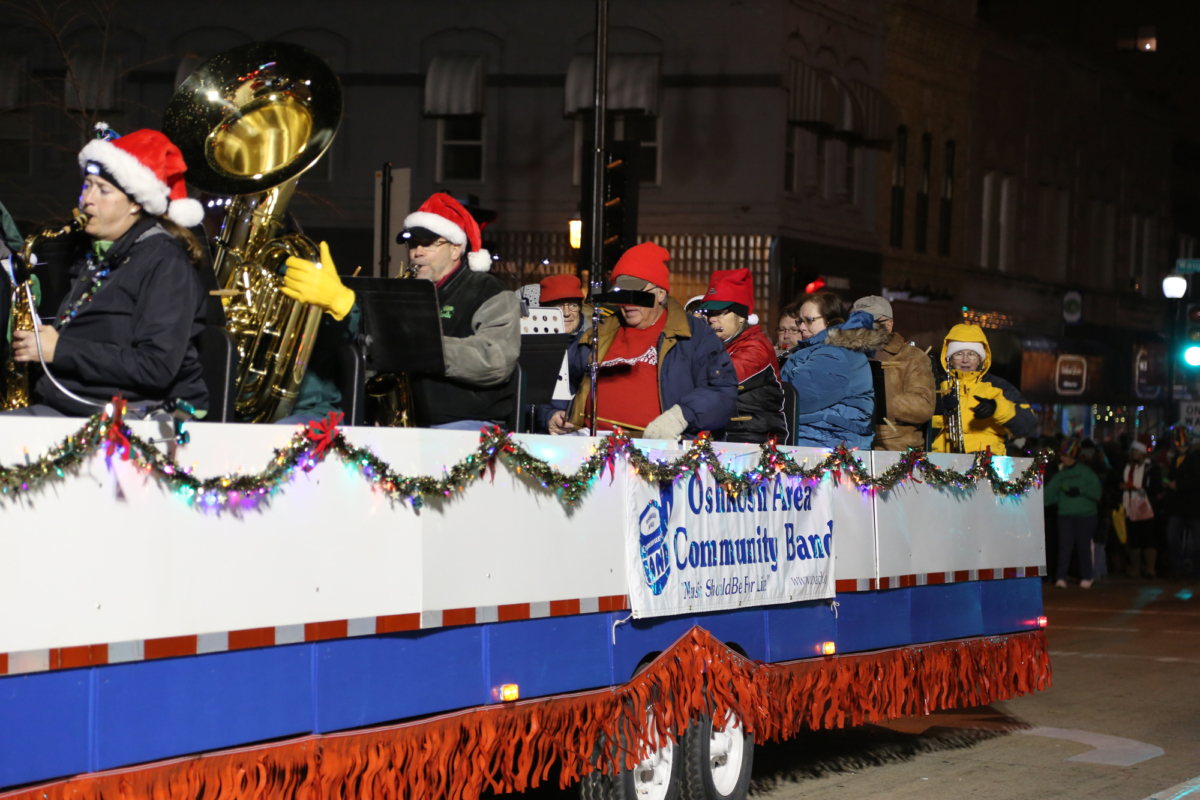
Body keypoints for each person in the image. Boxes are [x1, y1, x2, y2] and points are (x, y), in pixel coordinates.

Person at [7, 127, 208, 418]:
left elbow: (157, 367)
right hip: (75, 407)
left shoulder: (165, 263)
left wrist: (61, 350)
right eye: (87, 185)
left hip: (138, 418)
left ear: (136, 202)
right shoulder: (98, 253)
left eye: (103, 189)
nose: (87, 199)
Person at [547, 242, 736, 439]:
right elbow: (561, 382)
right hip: (590, 443)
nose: (629, 302)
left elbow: (722, 391)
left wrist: (681, 416)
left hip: (661, 449)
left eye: (637, 294)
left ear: (660, 293)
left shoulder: (694, 335)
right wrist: (552, 413)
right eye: (623, 294)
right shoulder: (598, 333)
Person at [398, 193, 521, 430]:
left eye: (428, 243)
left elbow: (494, 360)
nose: (417, 252)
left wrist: (424, 348)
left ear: (456, 249)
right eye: (413, 244)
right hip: (413, 423)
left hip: (468, 423)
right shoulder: (406, 291)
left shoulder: (490, 292)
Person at [779, 291, 888, 450]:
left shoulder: (835, 353)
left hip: (828, 443)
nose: (801, 327)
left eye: (809, 320)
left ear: (831, 321)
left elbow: (798, 395)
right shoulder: (824, 349)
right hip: (818, 437)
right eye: (800, 321)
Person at [697, 268, 786, 444]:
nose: (712, 319)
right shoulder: (717, 345)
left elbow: (721, 376)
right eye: (709, 313)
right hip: (724, 435)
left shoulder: (756, 346)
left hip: (754, 440)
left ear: (741, 317)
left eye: (720, 312)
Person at [277, 241, 361, 424]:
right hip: (242, 410)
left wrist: (339, 303)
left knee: (276, 436)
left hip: (309, 414)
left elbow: (344, 334)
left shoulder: (298, 267)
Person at [930, 324, 1036, 455]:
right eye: (958, 354)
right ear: (950, 359)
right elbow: (918, 425)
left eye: (971, 354)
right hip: (941, 461)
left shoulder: (997, 387)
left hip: (985, 462)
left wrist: (997, 408)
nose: (965, 360)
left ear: (980, 358)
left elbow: (1027, 422)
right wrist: (939, 410)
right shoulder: (937, 386)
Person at [851, 295, 935, 451]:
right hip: (847, 445)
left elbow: (924, 405)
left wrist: (878, 402)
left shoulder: (912, 356)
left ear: (889, 325)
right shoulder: (844, 354)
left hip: (892, 448)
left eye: (872, 322)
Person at [1044, 440, 1102, 589]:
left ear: (1073, 457)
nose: (1062, 458)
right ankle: (1061, 577)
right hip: (1065, 515)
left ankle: (1087, 576)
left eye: (1065, 456)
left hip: (1086, 515)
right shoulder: (1060, 475)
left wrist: (1080, 491)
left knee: (1083, 546)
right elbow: (1048, 495)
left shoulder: (1086, 472)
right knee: (1064, 546)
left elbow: (1097, 493)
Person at [1123, 440, 1162, 578]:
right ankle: (1136, 568)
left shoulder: (1151, 468)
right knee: (1134, 538)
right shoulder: (1128, 467)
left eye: (1137, 451)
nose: (1134, 454)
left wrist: (1136, 489)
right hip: (1131, 506)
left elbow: (1156, 487)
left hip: (1147, 507)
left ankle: (1150, 568)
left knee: (1148, 537)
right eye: (1133, 451)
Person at [1165, 426, 1200, 580]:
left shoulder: (1196, 458)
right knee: (1172, 537)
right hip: (1179, 506)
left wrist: (1177, 485)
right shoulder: (1176, 459)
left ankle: (1194, 571)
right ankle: (1180, 569)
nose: (1180, 447)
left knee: (1195, 543)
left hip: (1194, 506)